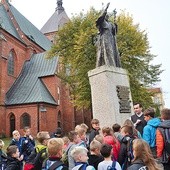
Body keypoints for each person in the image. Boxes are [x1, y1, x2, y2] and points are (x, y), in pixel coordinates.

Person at [96, 2, 121, 67]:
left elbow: (114, 32)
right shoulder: (101, 22)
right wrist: (106, 8)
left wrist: (115, 22)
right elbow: (101, 17)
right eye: (106, 15)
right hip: (105, 39)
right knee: (107, 51)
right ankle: (110, 65)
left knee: (113, 52)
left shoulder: (110, 24)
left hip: (111, 40)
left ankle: (113, 66)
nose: (107, 16)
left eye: (108, 15)